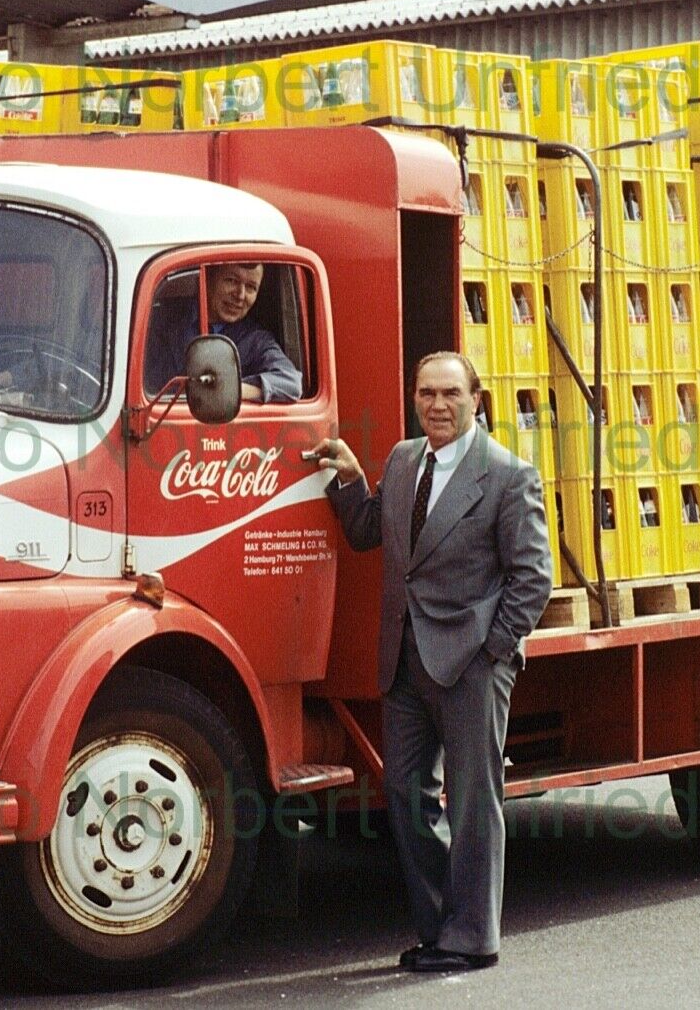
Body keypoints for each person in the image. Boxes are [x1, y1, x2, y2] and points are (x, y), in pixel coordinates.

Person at [309, 352, 553, 974]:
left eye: (450, 393)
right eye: (425, 394)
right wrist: (348, 478)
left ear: (477, 398)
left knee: (474, 802)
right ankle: (444, 927)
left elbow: (533, 579)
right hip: (405, 661)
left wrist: (493, 652)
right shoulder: (402, 459)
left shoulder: (507, 475)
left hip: (471, 664)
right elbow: (369, 532)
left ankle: (475, 938)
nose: (437, 405)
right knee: (405, 796)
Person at [142, 263, 303, 404]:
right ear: (207, 280)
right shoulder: (162, 317)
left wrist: (232, 390)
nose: (240, 295)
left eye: (251, 287)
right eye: (232, 281)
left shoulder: (255, 339)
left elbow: (291, 382)